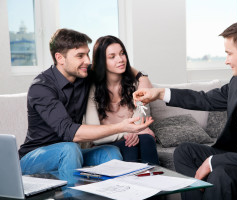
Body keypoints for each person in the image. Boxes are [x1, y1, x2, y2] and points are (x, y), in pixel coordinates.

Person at [133, 20, 237, 200]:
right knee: (184, 152)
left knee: (222, 175)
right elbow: (205, 99)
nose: (226, 61)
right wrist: (159, 93)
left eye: (229, 54)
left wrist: (213, 162)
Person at [19, 29, 154, 175]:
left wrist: (141, 76)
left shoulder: (83, 73)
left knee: (111, 152)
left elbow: (117, 65)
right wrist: (122, 127)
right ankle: (74, 197)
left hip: (72, 151)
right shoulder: (41, 87)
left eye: (88, 53)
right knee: (70, 149)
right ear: (60, 58)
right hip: (35, 157)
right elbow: (70, 132)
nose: (88, 61)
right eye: (80, 56)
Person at [83, 35, 159, 165]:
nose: (120, 59)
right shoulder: (92, 88)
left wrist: (143, 77)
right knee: (131, 144)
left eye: (122, 53)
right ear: (102, 61)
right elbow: (94, 134)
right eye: (112, 57)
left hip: (132, 137)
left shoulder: (135, 84)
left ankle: (157, 182)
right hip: (105, 142)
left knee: (146, 139)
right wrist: (127, 132)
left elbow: (140, 119)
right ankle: (133, 184)